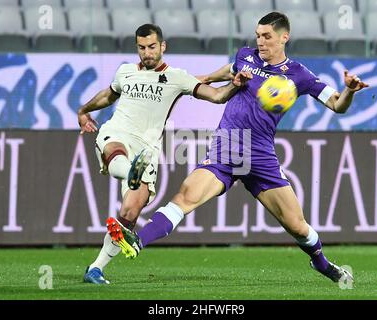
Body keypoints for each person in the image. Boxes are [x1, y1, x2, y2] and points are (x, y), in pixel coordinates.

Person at [107, 12, 369, 284]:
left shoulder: (299, 75)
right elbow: (220, 73)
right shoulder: (246, 56)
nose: (260, 41)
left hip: (261, 154)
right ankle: (138, 241)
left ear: (284, 37)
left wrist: (349, 90)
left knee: (297, 227)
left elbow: (337, 105)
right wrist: (194, 82)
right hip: (228, 145)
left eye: (267, 36)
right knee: (186, 195)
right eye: (258, 35)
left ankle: (322, 264)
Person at [80, 23, 252, 284]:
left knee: (129, 212)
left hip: (146, 150)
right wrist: (84, 111)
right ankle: (130, 172)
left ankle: (96, 268)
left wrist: (235, 84)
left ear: (162, 46)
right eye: (141, 48)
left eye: (151, 47)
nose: (146, 53)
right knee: (115, 150)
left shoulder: (177, 77)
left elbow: (216, 96)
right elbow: (108, 96)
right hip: (117, 134)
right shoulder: (125, 72)